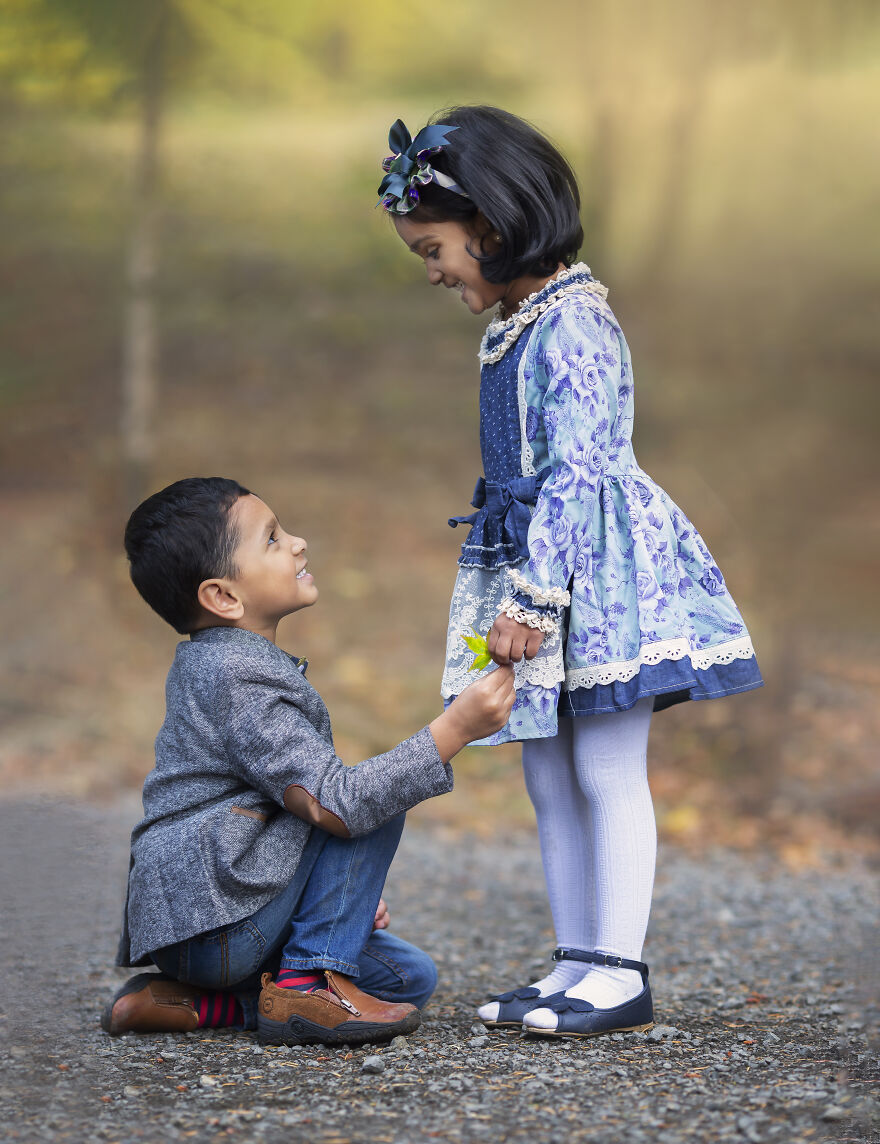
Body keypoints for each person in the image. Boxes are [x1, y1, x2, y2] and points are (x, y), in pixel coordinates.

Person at [375, 107, 763, 1038]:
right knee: (547, 774)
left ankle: (620, 970)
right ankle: (576, 958)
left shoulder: (576, 323)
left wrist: (534, 599)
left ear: (495, 231)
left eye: (435, 250)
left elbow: (582, 474)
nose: (432, 271)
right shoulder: (517, 324)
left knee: (604, 766)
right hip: (535, 562)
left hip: (596, 573)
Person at [102, 477, 514, 1046]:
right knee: (375, 797)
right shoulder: (238, 677)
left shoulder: (213, 664)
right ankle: (305, 984)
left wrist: (339, 893)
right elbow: (339, 805)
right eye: (272, 538)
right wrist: (454, 730)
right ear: (223, 597)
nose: (298, 542)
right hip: (220, 918)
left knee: (409, 979)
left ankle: (199, 1006)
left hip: (198, 925)